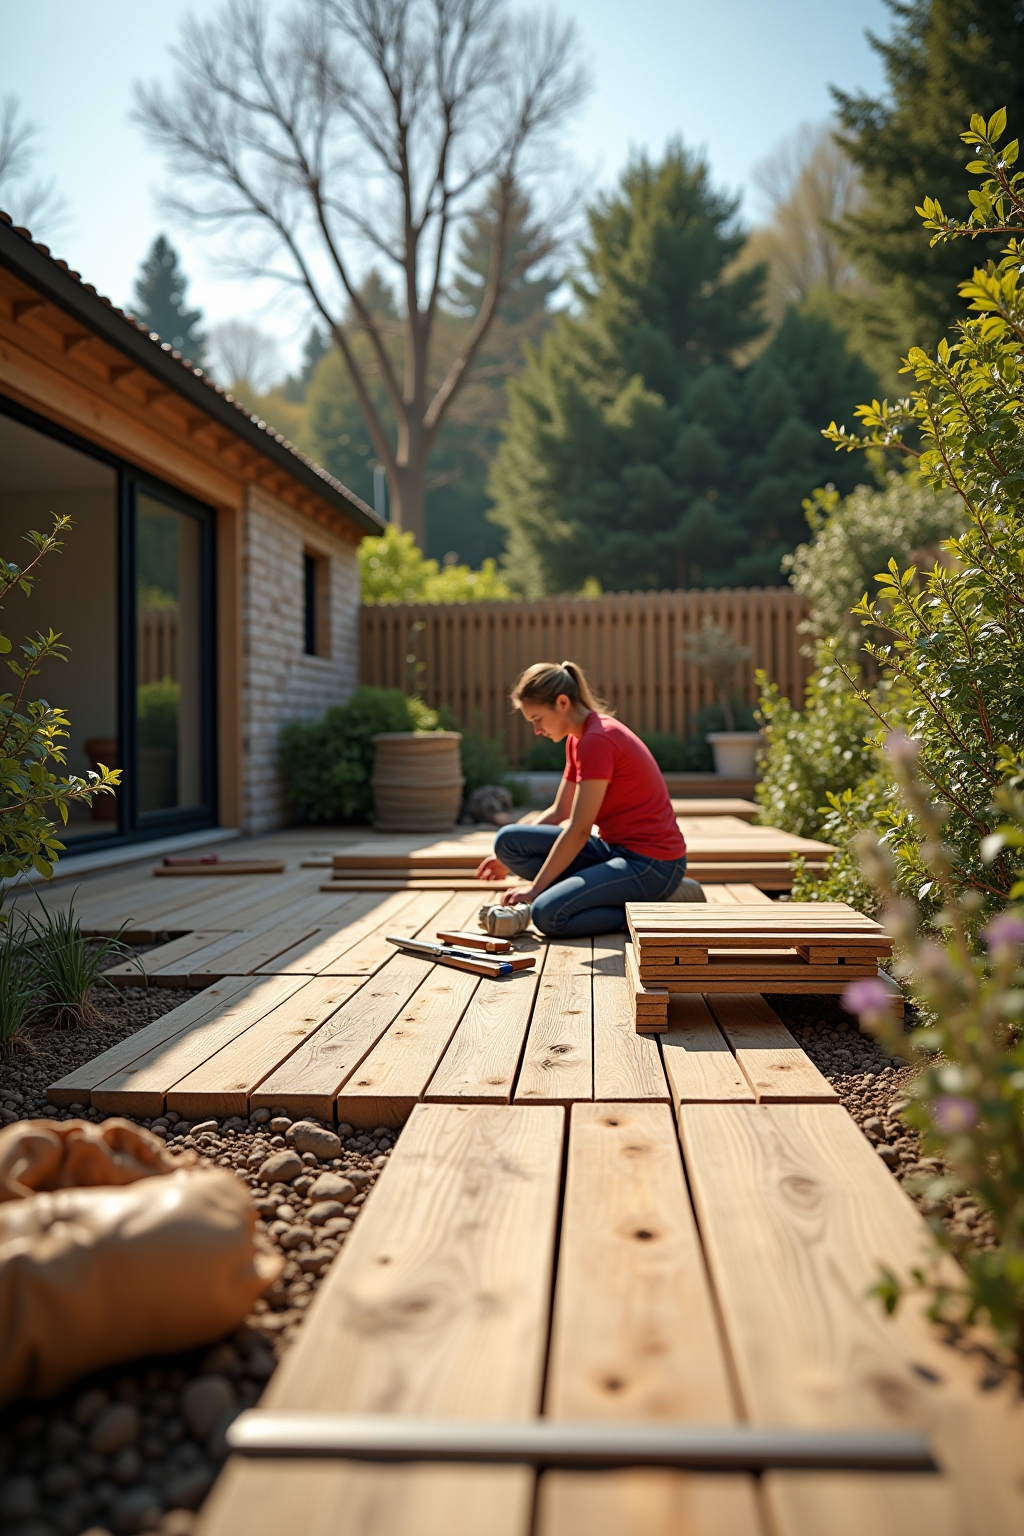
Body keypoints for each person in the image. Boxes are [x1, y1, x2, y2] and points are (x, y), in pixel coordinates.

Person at [475, 661, 687, 936]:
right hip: (614, 851)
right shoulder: (578, 739)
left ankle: (651, 908)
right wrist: (503, 858)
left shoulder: (598, 739)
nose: (536, 730)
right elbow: (559, 812)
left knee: (548, 914)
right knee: (508, 841)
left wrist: (535, 888)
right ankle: (585, 892)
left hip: (653, 865)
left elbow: (579, 829)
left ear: (562, 702)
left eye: (537, 718)